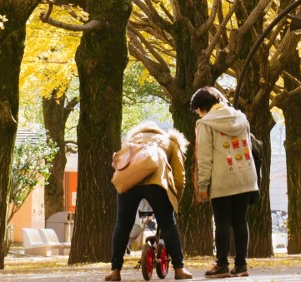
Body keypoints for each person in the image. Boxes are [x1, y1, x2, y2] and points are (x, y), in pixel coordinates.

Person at [105, 121, 190, 282]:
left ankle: (115, 270)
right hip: (156, 183)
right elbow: (179, 178)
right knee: (167, 223)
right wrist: (175, 200)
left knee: (122, 224)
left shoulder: (132, 142)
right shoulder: (170, 141)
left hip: (130, 182)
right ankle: (179, 268)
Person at [191, 86, 259, 280]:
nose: (199, 114)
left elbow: (204, 157)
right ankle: (241, 265)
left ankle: (221, 264)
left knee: (221, 221)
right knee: (240, 221)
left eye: (198, 110)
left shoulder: (206, 123)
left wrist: (203, 185)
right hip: (246, 177)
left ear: (203, 107)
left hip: (223, 179)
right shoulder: (241, 118)